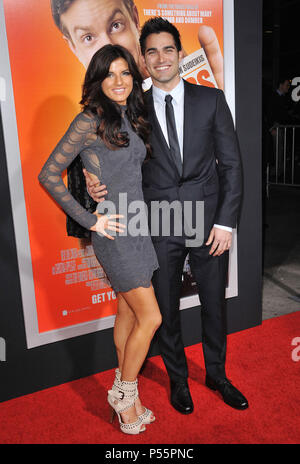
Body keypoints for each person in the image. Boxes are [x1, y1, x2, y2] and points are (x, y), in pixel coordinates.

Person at [88, 18, 249, 414]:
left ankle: (217, 374)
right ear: (143, 59)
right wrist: (92, 181)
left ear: (179, 53)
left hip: (208, 218)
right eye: (152, 51)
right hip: (156, 221)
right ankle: (179, 380)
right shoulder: (131, 106)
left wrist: (226, 222)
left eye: (168, 49)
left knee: (214, 302)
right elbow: (104, 150)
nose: (161, 58)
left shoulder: (210, 100)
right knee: (165, 309)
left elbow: (232, 165)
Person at [38, 44, 162, 434]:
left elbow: (102, 164)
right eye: (110, 74)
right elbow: (47, 173)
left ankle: (129, 392)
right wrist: (90, 220)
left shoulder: (128, 114)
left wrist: (92, 174)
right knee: (151, 316)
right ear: (97, 80)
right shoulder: (88, 120)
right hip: (115, 231)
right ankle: (124, 395)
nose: (119, 81)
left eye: (125, 73)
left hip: (138, 225)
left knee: (128, 312)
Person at [50, 0, 225, 241]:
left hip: (192, 222)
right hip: (145, 230)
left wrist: (212, 127)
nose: (109, 45)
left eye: (116, 25)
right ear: (72, 47)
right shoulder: (102, 119)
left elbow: (229, 164)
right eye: (88, 37)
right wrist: (92, 183)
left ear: (134, 18)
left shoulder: (201, 98)